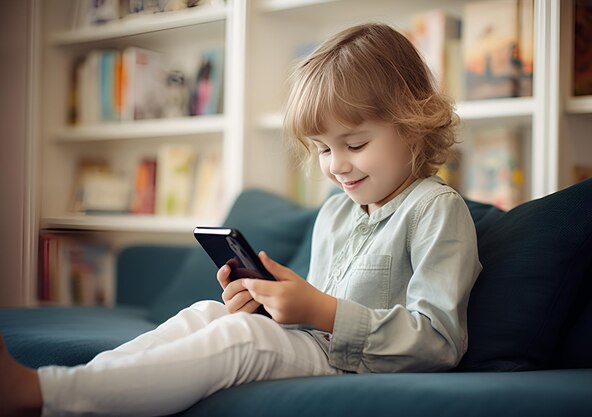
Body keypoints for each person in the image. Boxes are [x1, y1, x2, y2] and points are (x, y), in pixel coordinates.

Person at [0, 23, 481, 417]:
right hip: (311, 346)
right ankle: (73, 393)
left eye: (354, 145)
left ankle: (45, 394)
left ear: (414, 126)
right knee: (206, 314)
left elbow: (438, 342)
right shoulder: (336, 211)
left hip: (361, 368)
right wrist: (274, 300)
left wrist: (318, 310)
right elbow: (313, 311)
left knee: (238, 339)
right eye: (322, 149)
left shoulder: (435, 209)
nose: (336, 165)